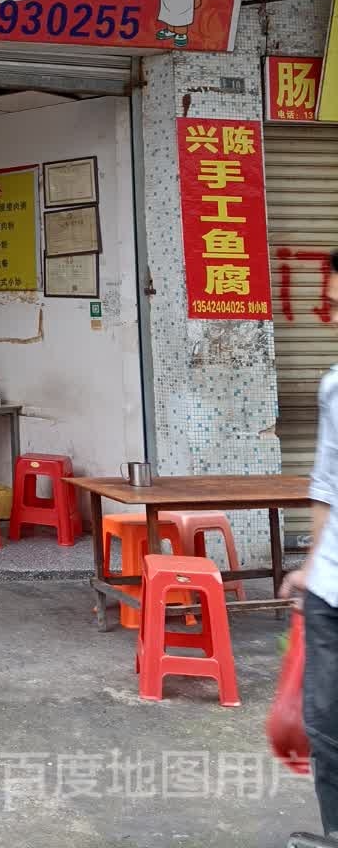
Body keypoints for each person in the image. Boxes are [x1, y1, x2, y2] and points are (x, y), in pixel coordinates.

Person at [283, 249, 338, 842]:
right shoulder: (334, 386)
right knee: (326, 724)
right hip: (330, 589)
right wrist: (308, 566)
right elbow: (326, 484)